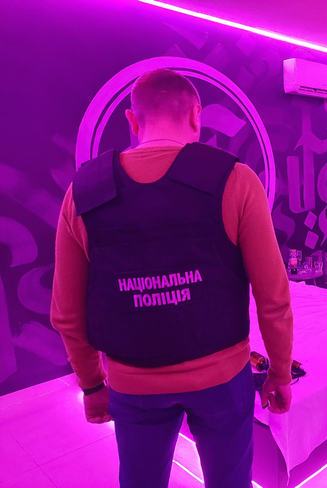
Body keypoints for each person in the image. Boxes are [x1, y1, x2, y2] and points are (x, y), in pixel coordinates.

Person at [51, 68, 294, 488]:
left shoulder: (83, 192)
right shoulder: (236, 179)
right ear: (197, 115)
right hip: (222, 379)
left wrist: (91, 385)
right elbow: (273, 296)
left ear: (132, 120)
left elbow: (67, 313)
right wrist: (281, 373)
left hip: (133, 384)